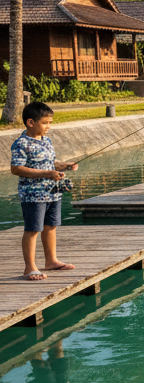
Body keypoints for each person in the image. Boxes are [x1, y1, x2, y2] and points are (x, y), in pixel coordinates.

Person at [10, 101, 78, 281]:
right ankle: (30, 268)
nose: (48, 126)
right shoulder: (21, 144)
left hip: (52, 192)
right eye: (45, 122)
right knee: (33, 229)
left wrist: (64, 165)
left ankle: (51, 261)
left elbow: (49, 162)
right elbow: (16, 168)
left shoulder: (46, 141)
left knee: (51, 227)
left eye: (50, 122)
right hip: (33, 195)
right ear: (30, 122)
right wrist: (47, 173)